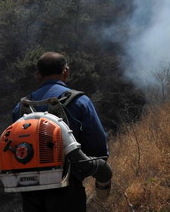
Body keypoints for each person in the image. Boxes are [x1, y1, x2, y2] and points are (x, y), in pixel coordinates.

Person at [12, 52, 108, 212]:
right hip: (67, 187)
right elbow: (98, 148)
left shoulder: (20, 108)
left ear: (38, 75)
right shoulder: (80, 102)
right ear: (66, 71)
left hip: (30, 191)